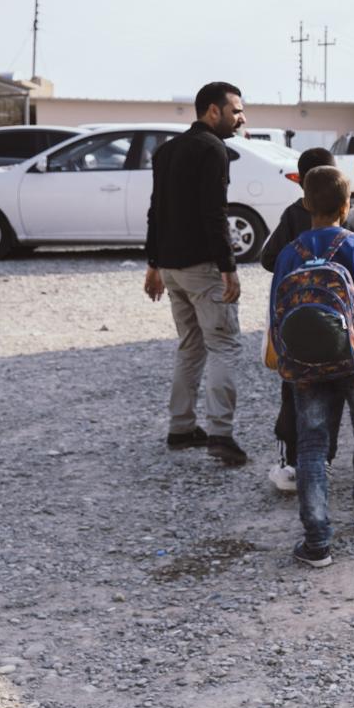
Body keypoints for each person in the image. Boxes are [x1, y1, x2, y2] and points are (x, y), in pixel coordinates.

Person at [270, 166, 354, 568]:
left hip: (304, 365)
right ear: (347, 207)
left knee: (311, 444)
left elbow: (277, 309)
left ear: (306, 204)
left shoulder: (288, 253)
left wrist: (281, 354)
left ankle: (316, 541)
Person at [143, 81, 250, 466]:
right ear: (212, 111)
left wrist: (154, 263)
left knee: (190, 346)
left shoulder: (167, 151)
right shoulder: (212, 149)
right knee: (224, 345)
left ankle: (181, 427)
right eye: (236, 110)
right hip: (202, 269)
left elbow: (156, 210)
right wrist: (228, 268)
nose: (242, 118)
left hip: (172, 268)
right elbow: (214, 213)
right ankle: (221, 434)